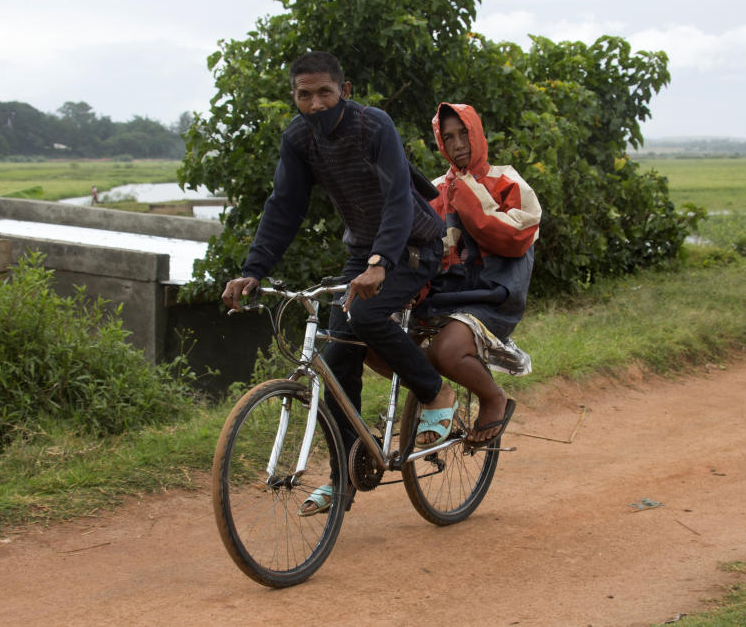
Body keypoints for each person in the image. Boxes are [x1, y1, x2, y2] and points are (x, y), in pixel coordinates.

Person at [221, 52, 456, 516]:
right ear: (294, 97)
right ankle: (343, 478)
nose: (314, 104)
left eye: (324, 92)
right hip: (363, 253)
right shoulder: (298, 138)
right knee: (337, 357)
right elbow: (283, 207)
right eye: (303, 95)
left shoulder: (374, 126)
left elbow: (396, 200)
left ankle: (434, 391)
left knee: (366, 314)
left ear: (343, 92)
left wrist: (380, 262)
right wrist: (254, 269)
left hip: (412, 244)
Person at [415, 102, 541, 447]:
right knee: (379, 344)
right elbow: (425, 249)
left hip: (493, 295)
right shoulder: (436, 188)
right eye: (448, 136)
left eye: (464, 134)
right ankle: (435, 396)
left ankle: (492, 397)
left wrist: (468, 196)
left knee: (445, 351)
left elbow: (515, 238)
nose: (457, 145)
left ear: (478, 135)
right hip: (444, 294)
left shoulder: (508, 181)